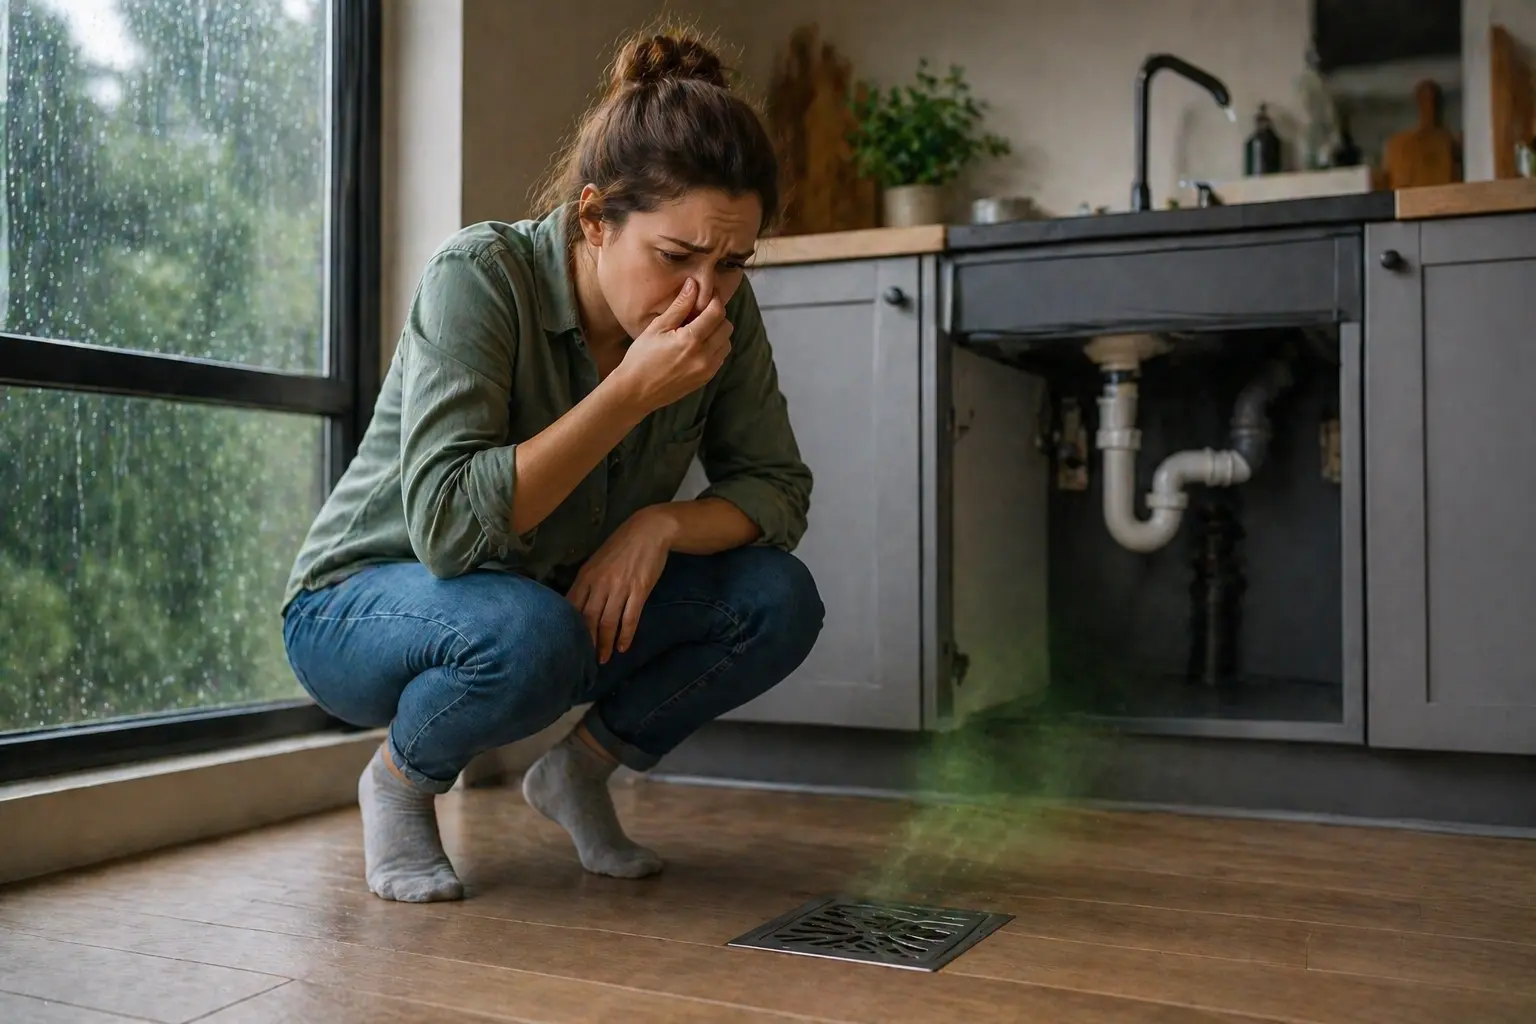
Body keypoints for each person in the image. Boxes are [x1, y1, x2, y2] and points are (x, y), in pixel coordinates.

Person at [279, 28, 823, 903]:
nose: (705, 293)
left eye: (732, 263)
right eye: (676, 258)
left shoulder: (724, 307)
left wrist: (661, 525)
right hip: (360, 603)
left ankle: (577, 773)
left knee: (774, 599)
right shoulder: (481, 275)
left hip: (543, 599)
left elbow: (776, 488)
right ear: (595, 218)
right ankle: (398, 781)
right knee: (532, 633)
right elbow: (453, 532)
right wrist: (627, 397)